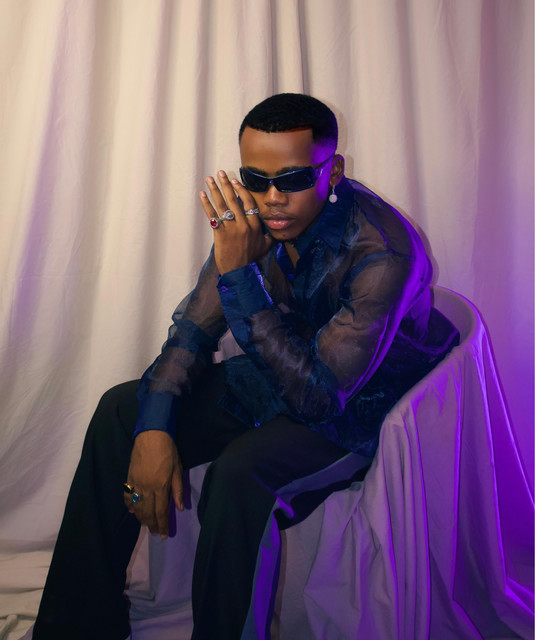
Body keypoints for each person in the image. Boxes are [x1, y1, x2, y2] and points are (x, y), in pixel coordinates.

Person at [32, 93, 459, 640]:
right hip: (285, 371)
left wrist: (239, 274)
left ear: (333, 172)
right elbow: (192, 330)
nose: (273, 199)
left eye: (294, 178)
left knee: (239, 475)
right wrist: (154, 429)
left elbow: (319, 399)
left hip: (356, 408)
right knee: (123, 411)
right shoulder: (253, 220)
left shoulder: (383, 251)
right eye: (256, 179)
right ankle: (75, 627)